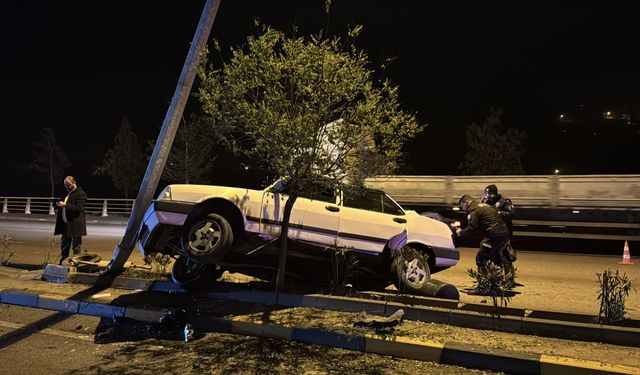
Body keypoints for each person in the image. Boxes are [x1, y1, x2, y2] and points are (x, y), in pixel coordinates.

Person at [454, 194, 514, 270]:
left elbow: (472, 228)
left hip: (494, 236)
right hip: (503, 234)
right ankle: (506, 276)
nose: (463, 208)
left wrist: (460, 232)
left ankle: (484, 279)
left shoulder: (474, 210)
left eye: (462, 206)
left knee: (481, 258)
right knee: (496, 257)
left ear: (467, 202)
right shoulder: (483, 205)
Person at [53, 176, 87, 265]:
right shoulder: (67, 193)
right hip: (65, 224)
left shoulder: (81, 193)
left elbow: (79, 208)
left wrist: (65, 205)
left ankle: (77, 264)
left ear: (74, 183)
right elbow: (63, 205)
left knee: (76, 247)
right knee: (64, 245)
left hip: (75, 224)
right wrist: (57, 204)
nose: (67, 187)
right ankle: (63, 263)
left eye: (68, 185)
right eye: (65, 185)